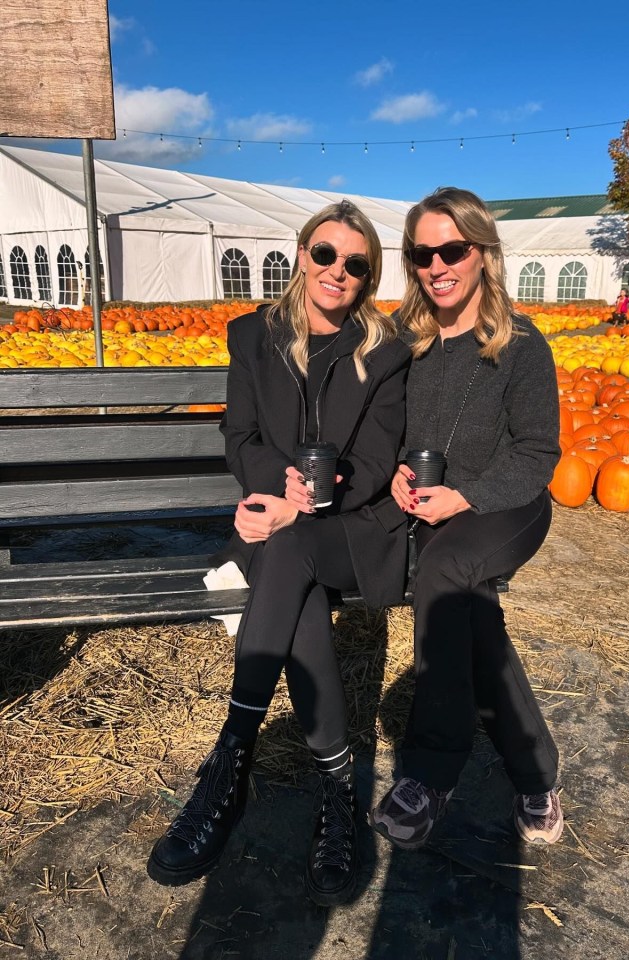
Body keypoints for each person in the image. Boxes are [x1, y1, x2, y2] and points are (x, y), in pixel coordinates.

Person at [147, 200, 411, 904]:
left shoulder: (384, 348)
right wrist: (273, 490)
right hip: (275, 522)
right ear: (302, 255)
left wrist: (304, 504)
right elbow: (240, 437)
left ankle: (229, 758)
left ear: (368, 273)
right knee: (288, 572)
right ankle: (336, 792)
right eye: (325, 254)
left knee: (291, 548)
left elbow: (379, 457)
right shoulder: (253, 336)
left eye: (356, 263)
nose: (338, 272)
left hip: (354, 529)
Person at [370, 187, 564, 849]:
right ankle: (535, 775)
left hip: (503, 505)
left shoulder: (521, 344)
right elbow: (386, 427)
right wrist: (395, 466)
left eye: (451, 249)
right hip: (428, 506)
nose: (436, 264)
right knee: (474, 614)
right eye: (422, 253)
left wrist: (467, 496)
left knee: (448, 570)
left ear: (483, 252)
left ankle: (430, 771)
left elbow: (538, 452)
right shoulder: (406, 339)